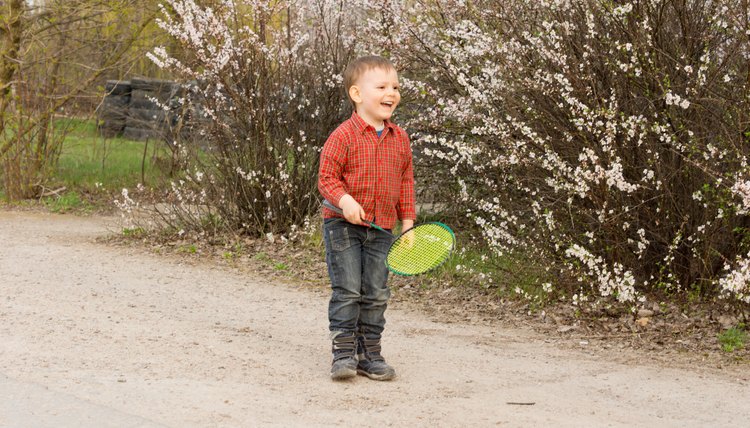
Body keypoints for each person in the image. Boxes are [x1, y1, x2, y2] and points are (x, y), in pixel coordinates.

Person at [317, 55, 416, 381]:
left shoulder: (400, 139)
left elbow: (405, 182)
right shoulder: (343, 136)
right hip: (343, 226)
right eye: (383, 86)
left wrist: (408, 223)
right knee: (348, 290)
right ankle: (343, 353)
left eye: (396, 86)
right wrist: (344, 201)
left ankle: (369, 353)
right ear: (357, 94)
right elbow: (326, 178)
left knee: (375, 292)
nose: (392, 92)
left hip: (382, 228)